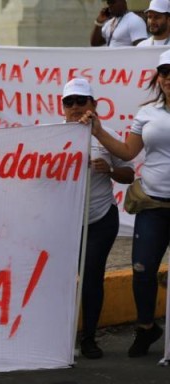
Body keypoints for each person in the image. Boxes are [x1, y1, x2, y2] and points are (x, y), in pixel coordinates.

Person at [79, 49, 170, 358]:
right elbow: (128, 153)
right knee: (142, 270)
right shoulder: (147, 113)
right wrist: (99, 131)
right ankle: (146, 328)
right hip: (153, 205)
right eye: (165, 71)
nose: (169, 77)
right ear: (159, 77)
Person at [61, 78, 134, 359]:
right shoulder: (48, 135)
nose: (76, 107)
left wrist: (110, 170)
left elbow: (128, 174)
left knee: (91, 278)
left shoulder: (108, 134)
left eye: (82, 101)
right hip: (63, 221)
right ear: (63, 107)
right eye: (70, 102)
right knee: (61, 279)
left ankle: (89, 337)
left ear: (94, 105)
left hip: (100, 219)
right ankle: (60, 336)